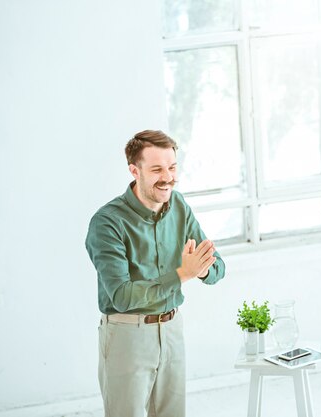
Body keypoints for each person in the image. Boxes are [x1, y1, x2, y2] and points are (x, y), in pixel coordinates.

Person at [85, 130, 226, 417]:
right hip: (127, 333)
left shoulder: (178, 206)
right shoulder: (107, 222)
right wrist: (183, 274)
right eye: (157, 169)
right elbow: (122, 296)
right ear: (134, 170)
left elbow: (217, 268)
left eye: (172, 167)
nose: (168, 177)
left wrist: (200, 270)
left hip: (172, 329)